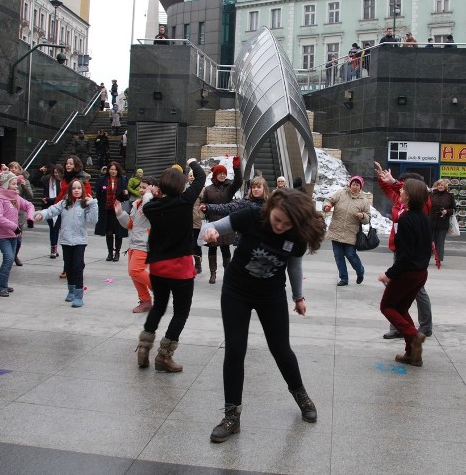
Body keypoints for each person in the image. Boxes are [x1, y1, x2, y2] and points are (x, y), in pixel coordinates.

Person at [202, 189, 326, 443]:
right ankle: (231, 416)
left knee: (281, 349)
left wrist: (298, 297)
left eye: (286, 223)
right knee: (235, 349)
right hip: (236, 290)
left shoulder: (297, 236)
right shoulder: (251, 216)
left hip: (271, 295)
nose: (280, 226)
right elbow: (215, 225)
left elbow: (294, 265)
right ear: (271, 209)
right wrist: (211, 232)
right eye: (277, 219)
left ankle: (301, 395)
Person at [135, 160, 206, 373]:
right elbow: (201, 177)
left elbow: (147, 200)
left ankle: (144, 348)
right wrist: (193, 163)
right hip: (180, 267)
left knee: (159, 306)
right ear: (180, 186)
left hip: (157, 267)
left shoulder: (151, 208)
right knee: (181, 312)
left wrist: (153, 194)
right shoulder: (185, 201)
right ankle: (164, 356)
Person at [377, 178, 431, 367]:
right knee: (400, 309)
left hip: (407, 272)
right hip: (420, 272)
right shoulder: (424, 217)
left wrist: (389, 274)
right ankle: (413, 354)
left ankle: (414, 336)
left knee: (387, 306)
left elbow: (405, 255)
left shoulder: (407, 219)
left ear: (409, 195)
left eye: (403, 190)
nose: (400, 192)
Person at [35, 179, 98, 307]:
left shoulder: (85, 204)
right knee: (68, 266)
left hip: (80, 240)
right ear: (70, 190)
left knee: (78, 266)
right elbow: (51, 210)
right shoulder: (64, 203)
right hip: (66, 240)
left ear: (82, 190)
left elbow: (93, 220)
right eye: (74, 188)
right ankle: (71, 291)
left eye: (79, 188)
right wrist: (41, 214)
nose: (76, 190)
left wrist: (93, 204)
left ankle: (79, 296)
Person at [0, 171, 35, 297]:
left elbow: (29, 205)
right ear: (5, 184)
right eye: (13, 184)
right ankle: (0, 287)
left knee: (9, 259)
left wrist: (30, 218)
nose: (16, 186)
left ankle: (3, 283)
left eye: (16, 183)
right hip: (2, 235)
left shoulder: (15, 196)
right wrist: (14, 226)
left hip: (14, 234)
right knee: (9, 258)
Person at [116, 176, 157, 313]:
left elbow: (148, 208)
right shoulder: (137, 204)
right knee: (134, 274)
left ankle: (158, 287)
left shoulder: (151, 203)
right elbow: (130, 224)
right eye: (140, 187)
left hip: (145, 244)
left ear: (152, 189)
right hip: (133, 243)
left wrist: (149, 194)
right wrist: (120, 213)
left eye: (144, 187)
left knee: (135, 270)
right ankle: (145, 300)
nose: (141, 190)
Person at [200, 159, 243, 284]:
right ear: (215, 175)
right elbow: (204, 202)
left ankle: (227, 273)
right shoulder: (208, 189)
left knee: (225, 248)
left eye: (224, 173)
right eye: (220, 173)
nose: (223, 175)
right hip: (213, 223)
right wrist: (203, 208)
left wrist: (236, 168)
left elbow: (239, 181)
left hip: (226, 223)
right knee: (212, 249)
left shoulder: (229, 187)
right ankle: (213, 273)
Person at [323, 176, 369, 286]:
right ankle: (344, 278)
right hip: (336, 230)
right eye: (353, 184)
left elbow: (368, 218)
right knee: (338, 256)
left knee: (350, 254)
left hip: (351, 233)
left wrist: (363, 215)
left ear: (360, 187)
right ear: (350, 184)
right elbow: (329, 200)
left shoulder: (364, 200)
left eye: (357, 185)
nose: (355, 187)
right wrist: (327, 206)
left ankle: (360, 271)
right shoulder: (341, 193)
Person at [94, 161, 130, 262]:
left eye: (115, 169)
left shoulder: (123, 179)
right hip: (107, 209)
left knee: (118, 232)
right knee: (108, 232)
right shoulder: (102, 179)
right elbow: (98, 194)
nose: (113, 171)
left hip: (119, 210)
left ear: (118, 170)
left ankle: (117, 252)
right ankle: (110, 252)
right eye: (111, 169)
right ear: (108, 170)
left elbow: (126, 195)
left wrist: (126, 194)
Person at [7, 162, 34, 266]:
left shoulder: (24, 181)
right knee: (8, 235)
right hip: (8, 210)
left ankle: (14, 255)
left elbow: (30, 196)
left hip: (19, 213)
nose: (13, 170)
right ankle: (9, 255)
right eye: (11, 168)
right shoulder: (6, 181)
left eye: (16, 168)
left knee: (18, 237)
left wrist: (24, 186)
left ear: (20, 170)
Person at [35, 163, 63, 259]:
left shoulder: (63, 182)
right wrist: (39, 172)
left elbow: (61, 198)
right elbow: (35, 182)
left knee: (56, 228)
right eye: (54, 172)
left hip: (59, 207)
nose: (56, 174)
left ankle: (54, 247)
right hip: (48, 208)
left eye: (58, 173)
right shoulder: (47, 179)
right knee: (53, 227)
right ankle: (53, 249)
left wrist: (49, 199)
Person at [429, 179, 456, 261]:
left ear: (445, 186)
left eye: (442, 185)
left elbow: (454, 209)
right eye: (439, 185)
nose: (440, 186)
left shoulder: (450, 196)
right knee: (429, 241)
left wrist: (447, 211)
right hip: (431, 221)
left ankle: (439, 259)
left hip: (443, 222)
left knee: (440, 241)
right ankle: (426, 258)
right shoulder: (431, 194)